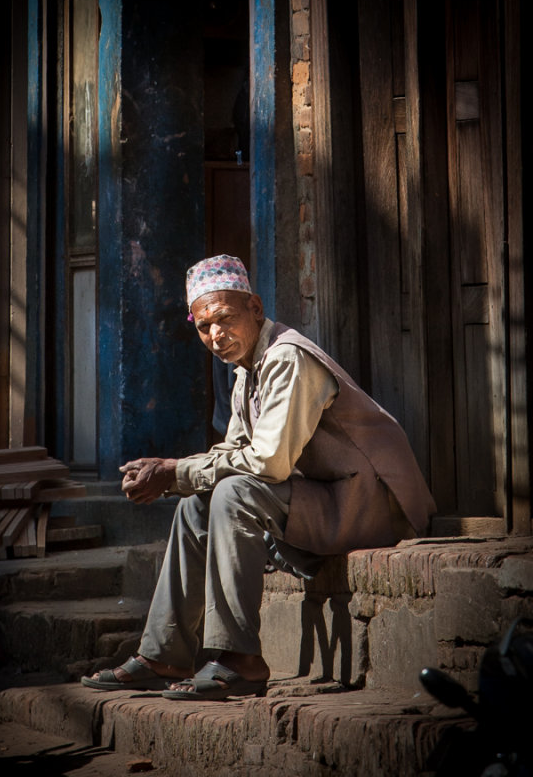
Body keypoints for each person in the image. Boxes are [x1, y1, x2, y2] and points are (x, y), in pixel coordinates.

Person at [81, 255, 436, 700]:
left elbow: (269, 463)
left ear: (255, 307)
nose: (215, 335)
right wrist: (175, 474)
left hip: (374, 506)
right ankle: (163, 653)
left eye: (225, 318)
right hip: (329, 500)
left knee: (232, 494)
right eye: (203, 327)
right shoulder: (246, 371)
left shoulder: (287, 358)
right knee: (197, 503)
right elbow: (233, 451)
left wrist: (177, 471)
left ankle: (239, 659)